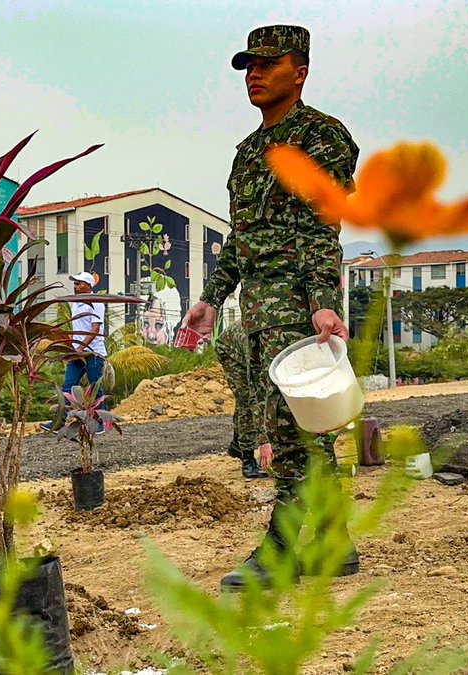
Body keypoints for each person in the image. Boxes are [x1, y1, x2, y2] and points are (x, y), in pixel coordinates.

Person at [182, 24, 360, 590]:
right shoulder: (248, 153)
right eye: (247, 65)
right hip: (259, 312)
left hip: (299, 310)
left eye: (267, 63)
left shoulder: (321, 137)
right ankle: (335, 545)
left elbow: (321, 228)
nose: (253, 73)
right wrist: (212, 299)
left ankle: (282, 549)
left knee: (290, 437)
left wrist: (323, 304)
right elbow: (241, 236)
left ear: (300, 70)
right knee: (301, 433)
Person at [42, 272, 107, 433]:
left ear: (88, 286)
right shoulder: (75, 303)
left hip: (93, 353)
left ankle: (100, 422)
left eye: (79, 283)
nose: (75, 286)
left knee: (94, 388)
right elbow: (75, 329)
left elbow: (95, 329)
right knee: (67, 387)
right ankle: (58, 422)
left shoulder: (96, 303)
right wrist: (72, 348)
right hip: (77, 352)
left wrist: (80, 348)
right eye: (75, 283)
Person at [215, 324, 268, 479]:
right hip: (229, 349)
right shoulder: (255, 347)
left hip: (241, 343)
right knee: (245, 400)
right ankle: (248, 459)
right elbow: (255, 397)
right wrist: (264, 442)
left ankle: (237, 444)